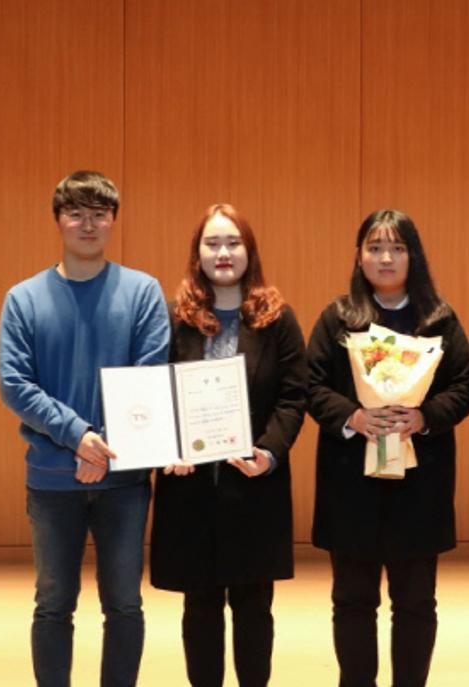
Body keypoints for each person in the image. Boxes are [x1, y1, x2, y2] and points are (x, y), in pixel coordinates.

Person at [0, 171, 170, 686]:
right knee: (53, 603)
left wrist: (101, 447)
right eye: (76, 213)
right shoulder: (23, 298)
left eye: (99, 214)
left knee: (124, 603)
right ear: (58, 220)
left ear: (113, 221)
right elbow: (14, 384)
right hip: (52, 479)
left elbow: (150, 375)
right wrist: (78, 436)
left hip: (124, 479)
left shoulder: (142, 291)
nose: (88, 224)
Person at [307, 209, 469, 687]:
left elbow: (466, 386)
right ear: (359, 256)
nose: (386, 258)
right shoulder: (338, 318)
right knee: (352, 600)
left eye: (397, 248)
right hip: (351, 481)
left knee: (416, 602)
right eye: (375, 248)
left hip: (420, 483)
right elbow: (311, 385)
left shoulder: (438, 319)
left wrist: (424, 417)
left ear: (413, 256)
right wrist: (354, 417)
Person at [149, 203, 307, 687]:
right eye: (212, 243)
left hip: (253, 485)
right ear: (196, 253)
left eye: (233, 243)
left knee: (254, 606)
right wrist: (168, 446)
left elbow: (293, 396)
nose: (223, 253)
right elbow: (154, 391)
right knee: (199, 608)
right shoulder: (174, 318)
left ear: (249, 251)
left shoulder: (277, 318)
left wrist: (269, 452)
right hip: (191, 487)